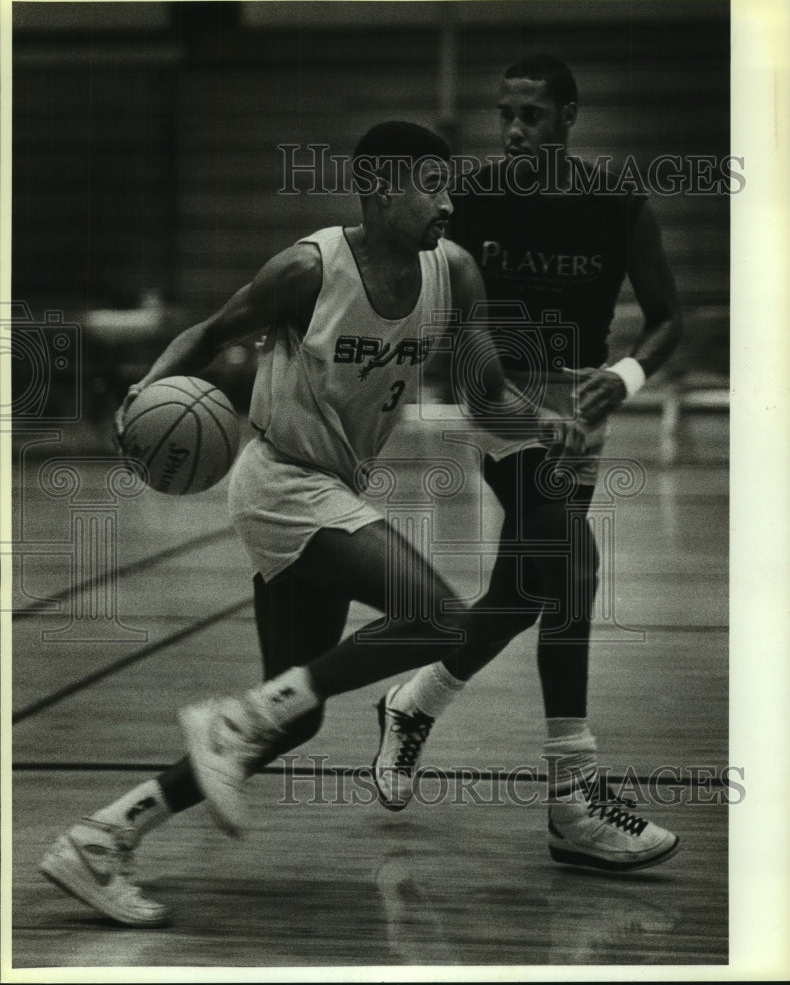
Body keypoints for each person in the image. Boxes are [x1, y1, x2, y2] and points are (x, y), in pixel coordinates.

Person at [39, 120, 583, 927]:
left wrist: (543, 420)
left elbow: (482, 387)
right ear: (382, 189)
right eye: (431, 186)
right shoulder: (308, 269)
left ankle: (103, 838)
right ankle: (231, 717)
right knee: (439, 618)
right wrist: (139, 401)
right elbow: (207, 334)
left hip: (331, 483)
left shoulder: (454, 271)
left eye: (448, 185)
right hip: (280, 481)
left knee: (295, 714)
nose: (448, 201)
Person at [371, 55, 683, 873]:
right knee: (571, 566)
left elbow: (672, 322)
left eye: (533, 116)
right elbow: (439, 310)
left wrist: (625, 376)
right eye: (506, 114)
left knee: (524, 588)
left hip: (584, 406)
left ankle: (415, 700)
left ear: (570, 117)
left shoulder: (615, 202)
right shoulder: (471, 200)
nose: (514, 130)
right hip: (503, 399)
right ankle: (573, 799)